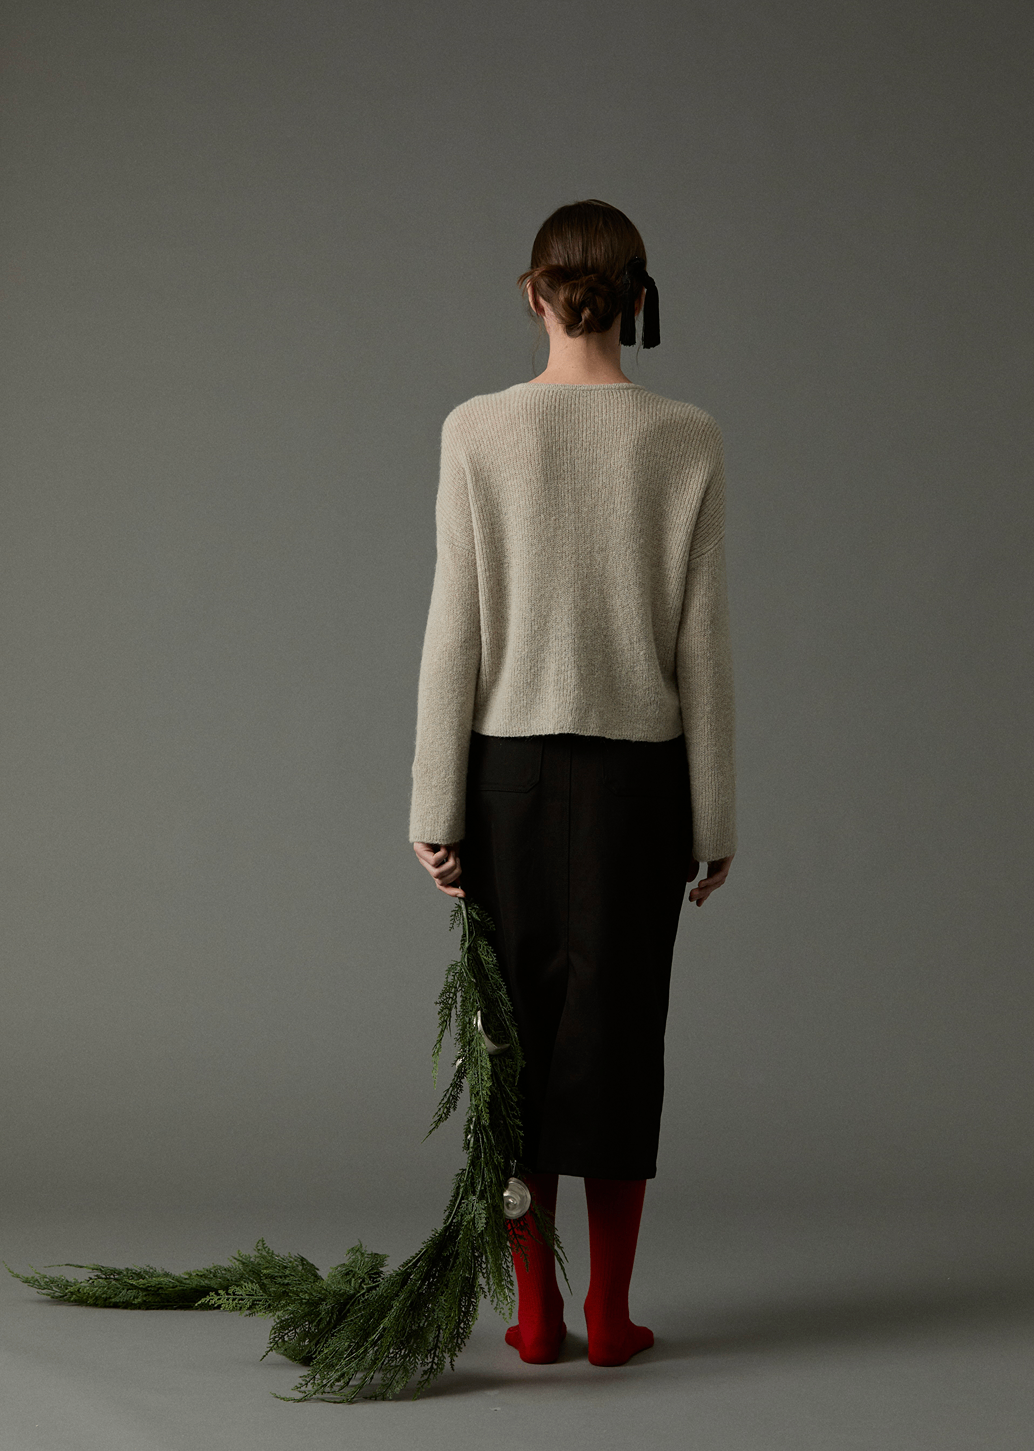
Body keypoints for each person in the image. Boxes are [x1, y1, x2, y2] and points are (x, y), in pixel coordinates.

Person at [408, 200, 737, 1369]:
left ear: (532, 292)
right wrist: (714, 813)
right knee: (618, 1037)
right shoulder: (685, 436)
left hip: (504, 775)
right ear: (636, 298)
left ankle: (533, 1312)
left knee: (513, 1044)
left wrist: (432, 806)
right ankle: (608, 1312)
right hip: (639, 783)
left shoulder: (475, 429)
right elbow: (700, 642)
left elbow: (453, 628)